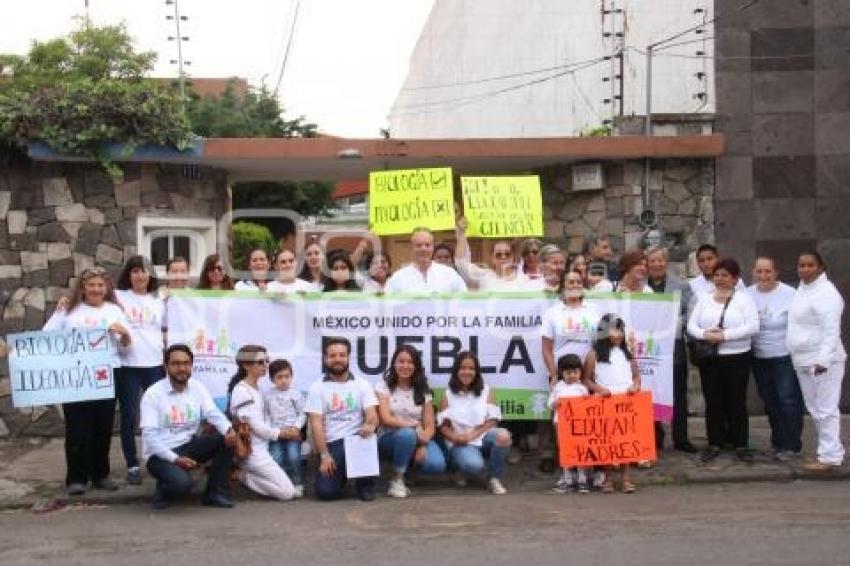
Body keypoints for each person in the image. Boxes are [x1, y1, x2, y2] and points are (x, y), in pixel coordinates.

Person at [44, 267, 132, 496]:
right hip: (76, 376)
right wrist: (57, 311)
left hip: (107, 374)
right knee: (77, 428)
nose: (96, 289)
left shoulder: (115, 310)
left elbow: (127, 347)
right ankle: (76, 478)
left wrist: (124, 334)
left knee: (102, 427)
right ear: (82, 287)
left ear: (107, 288)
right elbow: (47, 336)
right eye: (91, 285)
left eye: (100, 285)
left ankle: (101, 475)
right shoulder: (68, 310)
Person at [141, 344, 236, 509]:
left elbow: (212, 412)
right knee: (182, 485)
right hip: (161, 455)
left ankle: (214, 493)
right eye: (176, 364)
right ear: (166, 366)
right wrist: (175, 459)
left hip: (189, 445)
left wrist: (229, 430)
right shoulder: (153, 394)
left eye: (186, 363)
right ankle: (164, 490)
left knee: (226, 440)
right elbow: (150, 437)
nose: (182, 368)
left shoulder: (197, 387)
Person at [687, 258, 759, 463]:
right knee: (713, 401)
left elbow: (753, 326)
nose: (720, 278)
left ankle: (741, 443)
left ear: (735, 279)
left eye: (725, 275)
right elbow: (692, 326)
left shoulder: (744, 300)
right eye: (717, 275)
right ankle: (714, 442)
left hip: (737, 357)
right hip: (711, 358)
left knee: (736, 400)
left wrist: (725, 336)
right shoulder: (705, 298)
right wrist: (705, 333)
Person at [787, 251, 847, 472]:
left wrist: (823, 360)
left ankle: (830, 456)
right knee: (814, 408)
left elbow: (831, 330)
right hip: (802, 359)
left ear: (820, 267)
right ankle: (827, 451)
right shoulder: (802, 290)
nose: (804, 269)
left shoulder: (827, 293)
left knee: (826, 408)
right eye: (801, 265)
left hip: (823, 361)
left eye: (810, 265)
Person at [539, 269, 601, 473]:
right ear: (563, 286)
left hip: (588, 373)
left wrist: (587, 375)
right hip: (562, 373)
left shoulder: (594, 310)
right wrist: (554, 374)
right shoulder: (553, 313)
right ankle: (559, 458)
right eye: (570, 282)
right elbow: (546, 348)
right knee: (558, 416)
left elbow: (600, 344)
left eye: (577, 282)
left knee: (588, 418)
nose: (574, 286)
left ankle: (587, 459)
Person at [306, 337, 380, 501]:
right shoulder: (317, 387)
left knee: (366, 439)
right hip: (332, 445)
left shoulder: (362, 385)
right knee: (326, 493)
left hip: (358, 440)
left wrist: (370, 425)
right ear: (325, 359)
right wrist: (324, 455)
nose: (338, 359)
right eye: (333, 356)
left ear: (348, 357)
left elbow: (372, 415)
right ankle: (343, 474)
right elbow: (316, 423)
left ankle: (365, 483)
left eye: (342, 355)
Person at [114, 255, 166, 485]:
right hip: (128, 366)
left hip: (154, 365)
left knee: (157, 415)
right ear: (129, 274)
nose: (140, 275)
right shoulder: (118, 296)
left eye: (144, 271)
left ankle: (158, 457)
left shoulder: (159, 298)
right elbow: (90, 296)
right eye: (135, 271)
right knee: (129, 417)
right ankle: (132, 464)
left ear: (150, 275)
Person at [746, 256, 803, 461]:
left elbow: (800, 323)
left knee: (787, 399)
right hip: (759, 357)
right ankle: (778, 442)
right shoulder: (747, 294)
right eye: (759, 271)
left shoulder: (790, 294)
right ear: (753, 273)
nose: (763, 276)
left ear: (775, 273)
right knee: (770, 401)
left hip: (784, 356)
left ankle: (792, 444)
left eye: (767, 271)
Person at [375, 345, 446, 498]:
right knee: (406, 434)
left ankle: (409, 470)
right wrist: (413, 426)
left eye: (410, 362)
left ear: (416, 366)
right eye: (401, 361)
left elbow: (430, 426)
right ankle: (397, 479)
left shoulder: (423, 390)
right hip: (388, 438)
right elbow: (386, 419)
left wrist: (422, 444)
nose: (405, 366)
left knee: (436, 464)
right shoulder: (383, 387)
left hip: (418, 438)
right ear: (394, 364)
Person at [227, 346, 296, 501]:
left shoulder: (258, 388)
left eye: (266, 360)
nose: (265, 365)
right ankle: (241, 475)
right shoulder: (241, 391)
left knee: (285, 486)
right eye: (260, 362)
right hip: (253, 452)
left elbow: (266, 421)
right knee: (287, 493)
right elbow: (255, 426)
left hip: (265, 448)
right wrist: (281, 433)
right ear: (245, 365)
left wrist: (286, 428)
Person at [645, 246, 698, 453]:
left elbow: (691, 312)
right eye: (652, 261)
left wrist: (676, 324)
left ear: (666, 262)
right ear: (646, 264)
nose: (657, 264)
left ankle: (681, 438)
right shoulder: (641, 287)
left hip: (673, 347)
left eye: (660, 260)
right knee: (651, 393)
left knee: (678, 393)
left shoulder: (681, 286)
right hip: (649, 349)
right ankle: (654, 435)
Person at [583, 314, 642, 493]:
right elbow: (586, 380)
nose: (617, 334)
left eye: (619, 330)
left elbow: (636, 376)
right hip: (605, 401)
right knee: (607, 443)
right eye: (612, 330)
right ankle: (607, 478)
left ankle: (626, 478)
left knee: (626, 441)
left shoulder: (628, 354)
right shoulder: (594, 354)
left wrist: (635, 386)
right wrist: (600, 390)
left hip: (625, 401)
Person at [438, 351, 511, 495]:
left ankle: (494, 478)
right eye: (463, 368)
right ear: (456, 371)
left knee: (503, 436)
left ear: (476, 371)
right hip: (460, 442)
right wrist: (455, 438)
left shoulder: (486, 391)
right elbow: (443, 426)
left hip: (481, 436)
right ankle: (459, 468)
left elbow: (492, 420)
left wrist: (472, 436)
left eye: (471, 368)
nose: (467, 372)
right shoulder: (448, 394)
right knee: (473, 466)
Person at [548, 354, 591, 494]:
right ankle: (567, 479)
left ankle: (582, 479)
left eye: (575, 372)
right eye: (568, 372)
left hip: (579, 426)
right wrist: (555, 404)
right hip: (561, 425)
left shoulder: (582, 389)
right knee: (565, 452)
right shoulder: (557, 387)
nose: (572, 375)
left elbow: (589, 406)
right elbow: (550, 404)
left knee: (580, 451)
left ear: (580, 372)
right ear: (562, 373)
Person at [455, 217, 535, 290]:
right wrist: (462, 233)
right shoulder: (484, 276)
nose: (503, 257)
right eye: (498, 255)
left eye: (507, 254)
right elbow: (462, 264)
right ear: (492, 258)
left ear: (513, 257)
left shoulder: (524, 279)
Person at [265, 359, 306, 496]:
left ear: (291, 376)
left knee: (294, 457)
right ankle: (282, 484)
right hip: (276, 434)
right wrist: (272, 431)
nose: (284, 380)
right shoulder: (267, 395)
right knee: (276, 458)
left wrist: (296, 427)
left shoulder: (296, 394)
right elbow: (266, 416)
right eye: (279, 377)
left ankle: (296, 482)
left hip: (292, 434)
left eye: (287, 376)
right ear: (272, 379)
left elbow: (302, 414)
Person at [384, 227, 467, 293]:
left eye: (427, 245)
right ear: (412, 248)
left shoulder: (450, 274)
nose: (423, 249)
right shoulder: (398, 278)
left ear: (433, 247)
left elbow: (464, 302)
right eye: (418, 245)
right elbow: (386, 307)